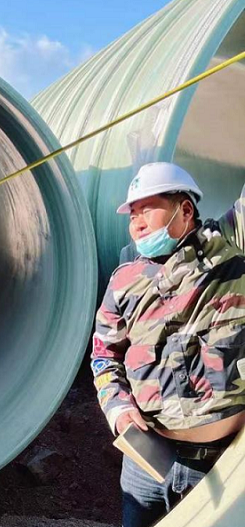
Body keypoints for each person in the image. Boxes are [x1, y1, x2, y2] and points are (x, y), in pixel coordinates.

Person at [90, 162, 245, 527]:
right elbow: (104, 355)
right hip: (145, 467)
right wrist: (117, 408)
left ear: (185, 210)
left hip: (220, 464)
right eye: (133, 215)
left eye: (147, 209)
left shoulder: (228, 247)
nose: (137, 223)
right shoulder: (125, 282)